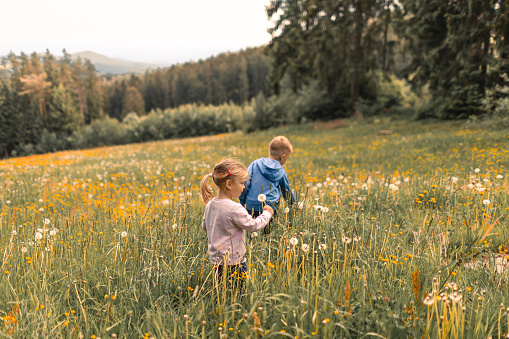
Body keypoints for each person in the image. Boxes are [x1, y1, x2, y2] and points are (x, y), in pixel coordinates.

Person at [200, 158, 274, 292]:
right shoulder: (235, 208)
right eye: (241, 183)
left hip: (217, 261)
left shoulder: (210, 204)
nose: (244, 187)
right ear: (229, 184)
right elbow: (253, 226)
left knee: (221, 293)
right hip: (235, 262)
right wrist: (267, 214)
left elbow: (205, 226)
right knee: (240, 293)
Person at [239, 136, 296, 235]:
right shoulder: (281, 171)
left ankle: (250, 248)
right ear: (282, 156)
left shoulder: (255, 164)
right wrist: (294, 205)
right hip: (270, 208)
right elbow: (286, 191)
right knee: (267, 235)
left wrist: (242, 201)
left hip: (251, 205)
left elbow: (245, 183)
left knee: (250, 233)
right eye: (287, 157)